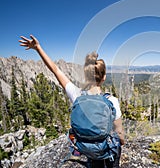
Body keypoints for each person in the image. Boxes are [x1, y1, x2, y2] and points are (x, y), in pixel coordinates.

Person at [19, 35, 125, 167]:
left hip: (84, 148)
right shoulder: (112, 100)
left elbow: (55, 70)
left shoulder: (77, 95)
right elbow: (119, 132)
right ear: (104, 77)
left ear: (86, 76)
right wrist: (121, 142)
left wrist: (38, 48)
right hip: (104, 150)